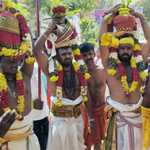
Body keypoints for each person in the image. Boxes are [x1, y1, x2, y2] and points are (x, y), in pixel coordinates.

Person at [34, 5, 87, 150]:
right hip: (59, 121)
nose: (68, 56)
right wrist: (48, 30)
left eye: (69, 53)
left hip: (77, 120)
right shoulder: (51, 69)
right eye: (64, 54)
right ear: (57, 55)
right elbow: (36, 50)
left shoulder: (79, 68)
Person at [100, 3, 150, 150]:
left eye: (129, 48)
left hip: (139, 119)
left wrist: (140, 17)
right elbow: (102, 41)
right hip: (119, 122)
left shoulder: (139, 63)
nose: (126, 51)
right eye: (122, 48)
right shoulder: (110, 64)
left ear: (133, 48)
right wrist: (108, 17)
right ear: (117, 48)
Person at [0, 1, 40, 149]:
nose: (15, 63)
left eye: (17, 59)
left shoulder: (25, 76)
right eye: (9, 60)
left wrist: (19, 18)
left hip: (30, 143)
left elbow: (30, 46)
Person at [80, 43, 107, 150]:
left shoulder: (102, 70)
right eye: (85, 55)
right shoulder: (80, 73)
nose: (88, 57)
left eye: (90, 54)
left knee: (100, 142)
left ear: (94, 53)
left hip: (102, 111)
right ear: (80, 56)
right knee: (86, 144)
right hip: (86, 113)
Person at [31, 61, 49, 150]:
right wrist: (31, 105)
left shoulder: (37, 66)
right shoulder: (15, 69)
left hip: (44, 116)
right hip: (29, 122)